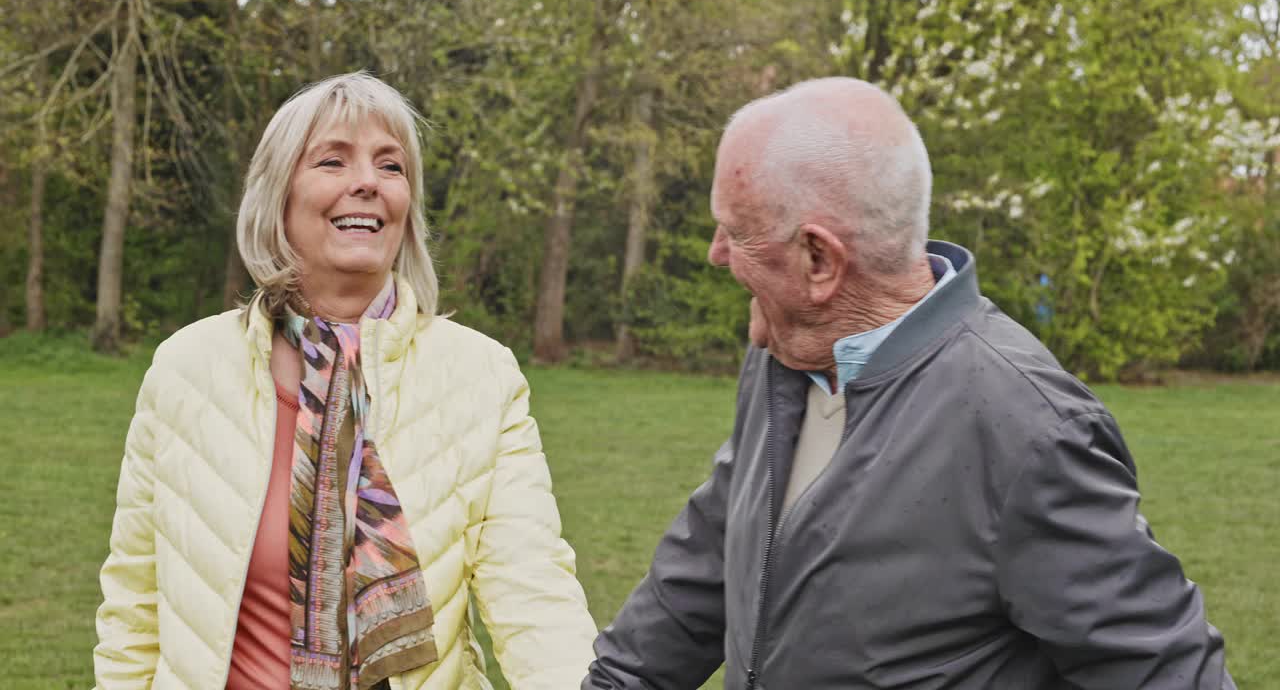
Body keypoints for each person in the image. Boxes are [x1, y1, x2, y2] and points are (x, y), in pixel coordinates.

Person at [583, 78, 1235, 689]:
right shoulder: (782, 356)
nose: (716, 254)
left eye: (734, 231)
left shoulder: (1028, 430)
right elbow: (712, 559)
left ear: (818, 260)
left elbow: (1165, 672)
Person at [93, 71, 597, 690]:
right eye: (333, 160)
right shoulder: (185, 367)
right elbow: (134, 607)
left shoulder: (481, 375)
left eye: (391, 167)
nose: (367, 182)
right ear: (278, 194)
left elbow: (534, 592)